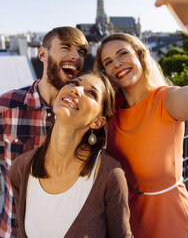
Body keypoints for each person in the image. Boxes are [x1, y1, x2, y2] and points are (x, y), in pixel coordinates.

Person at [94, 0, 188, 238]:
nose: (117, 64)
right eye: (108, 61)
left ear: (140, 55)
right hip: (124, 219)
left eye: (123, 53)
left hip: (167, 219)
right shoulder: (110, 113)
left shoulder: (164, 101)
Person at [9, 71, 132, 238]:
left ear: (98, 121)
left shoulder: (109, 174)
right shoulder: (21, 168)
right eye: (74, 83)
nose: (76, 90)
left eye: (91, 93)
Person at [0, 26, 88, 237]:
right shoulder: (7, 106)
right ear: (42, 54)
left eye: (81, 52)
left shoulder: (86, 113)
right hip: (15, 229)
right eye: (66, 47)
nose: (75, 56)